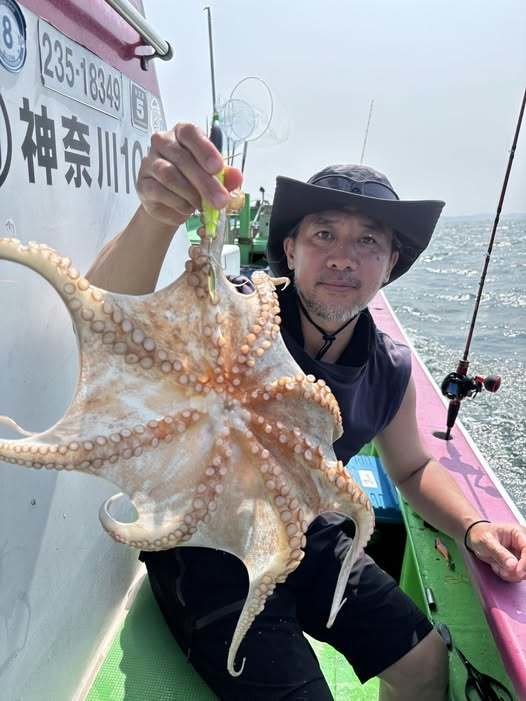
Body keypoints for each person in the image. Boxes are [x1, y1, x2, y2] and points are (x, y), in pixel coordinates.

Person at [87, 123, 526, 701]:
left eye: (368, 241)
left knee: (425, 662)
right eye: (324, 233)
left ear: (391, 262)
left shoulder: (388, 368)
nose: (343, 257)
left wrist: (473, 526)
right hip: (204, 542)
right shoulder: (235, 311)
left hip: (306, 532)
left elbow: (413, 468)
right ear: (290, 250)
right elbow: (109, 314)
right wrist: (155, 217)